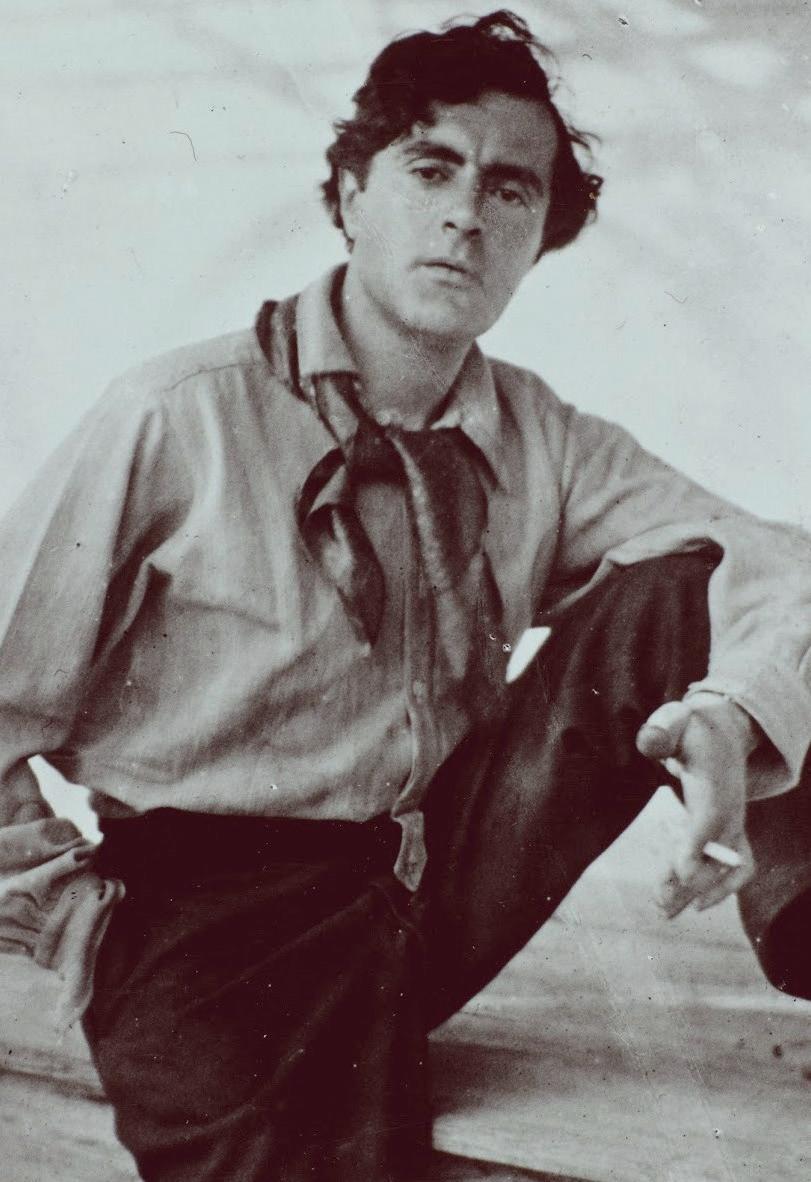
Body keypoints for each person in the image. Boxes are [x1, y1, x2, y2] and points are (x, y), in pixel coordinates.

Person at [1, 9, 810, 1181]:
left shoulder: (539, 435)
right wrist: (58, 908)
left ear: (540, 237)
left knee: (701, 583)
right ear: (349, 196)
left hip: (431, 878)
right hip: (202, 926)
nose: (466, 214)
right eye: (431, 169)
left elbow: (776, 561)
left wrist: (728, 722)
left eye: (510, 190)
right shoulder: (176, 416)